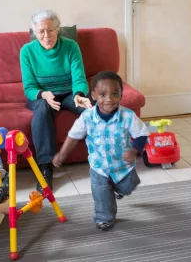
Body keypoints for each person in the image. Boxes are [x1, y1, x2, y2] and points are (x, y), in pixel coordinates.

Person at [52, 71, 149, 231]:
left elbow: (142, 134)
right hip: (99, 166)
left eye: (115, 94)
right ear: (94, 95)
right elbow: (73, 136)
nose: (109, 99)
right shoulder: (86, 117)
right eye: (103, 94)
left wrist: (134, 151)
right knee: (101, 193)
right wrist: (62, 154)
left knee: (129, 186)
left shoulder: (128, 116)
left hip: (123, 166)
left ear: (121, 95)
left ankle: (116, 189)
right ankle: (104, 218)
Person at [20, 9, 92, 193]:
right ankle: (45, 167)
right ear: (34, 33)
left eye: (50, 30)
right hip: (42, 95)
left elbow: (79, 78)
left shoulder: (71, 46)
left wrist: (79, 94)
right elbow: (29, 87)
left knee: (92, 111)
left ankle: (104, 159)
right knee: (42, 111)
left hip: (69, 92)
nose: (46, 36)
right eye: (41, 31)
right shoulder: (27, 51)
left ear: (58, 29)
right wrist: (43, 94)